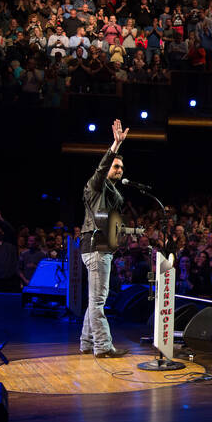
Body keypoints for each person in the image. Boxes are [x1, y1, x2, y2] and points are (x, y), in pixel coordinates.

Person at [79, 119, 130, 358]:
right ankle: (102, 346)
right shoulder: (95, 186)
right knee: (98, 301)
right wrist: (115, 146)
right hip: (95, 247)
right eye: (115, 166)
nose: (119, 170)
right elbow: (101, 170)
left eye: (121, 167)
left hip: (101, 247)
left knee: (94, 299)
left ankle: (86, 342)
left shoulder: (112, 193)